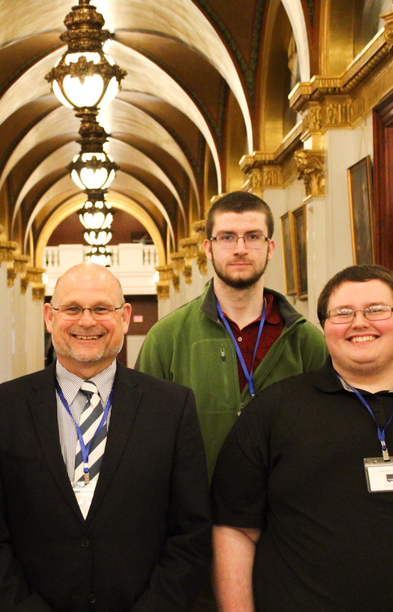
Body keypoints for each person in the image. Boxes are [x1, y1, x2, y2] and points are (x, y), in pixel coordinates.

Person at [211, 264, 393, 611]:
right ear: (324, 328)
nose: (359, 322)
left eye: (377, 310)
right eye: (342, 313)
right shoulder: (272, 413)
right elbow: (235, 531)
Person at [0, 262, 212, 612]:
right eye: (73, 309)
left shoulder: (172, 407)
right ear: (50, 317)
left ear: (124, 317)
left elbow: (191, 533)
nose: (86, 321)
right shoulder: (0, 409)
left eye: (100, 309)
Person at [137, 191, 326, 476]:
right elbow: (144, 437)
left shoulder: (305, 340)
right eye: (226, 237)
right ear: (208, 248)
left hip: (286, 510)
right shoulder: (166, 338)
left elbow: (325, 434)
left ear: (270, 248)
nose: (240, 248)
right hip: (198, 512)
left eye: (252, 236)